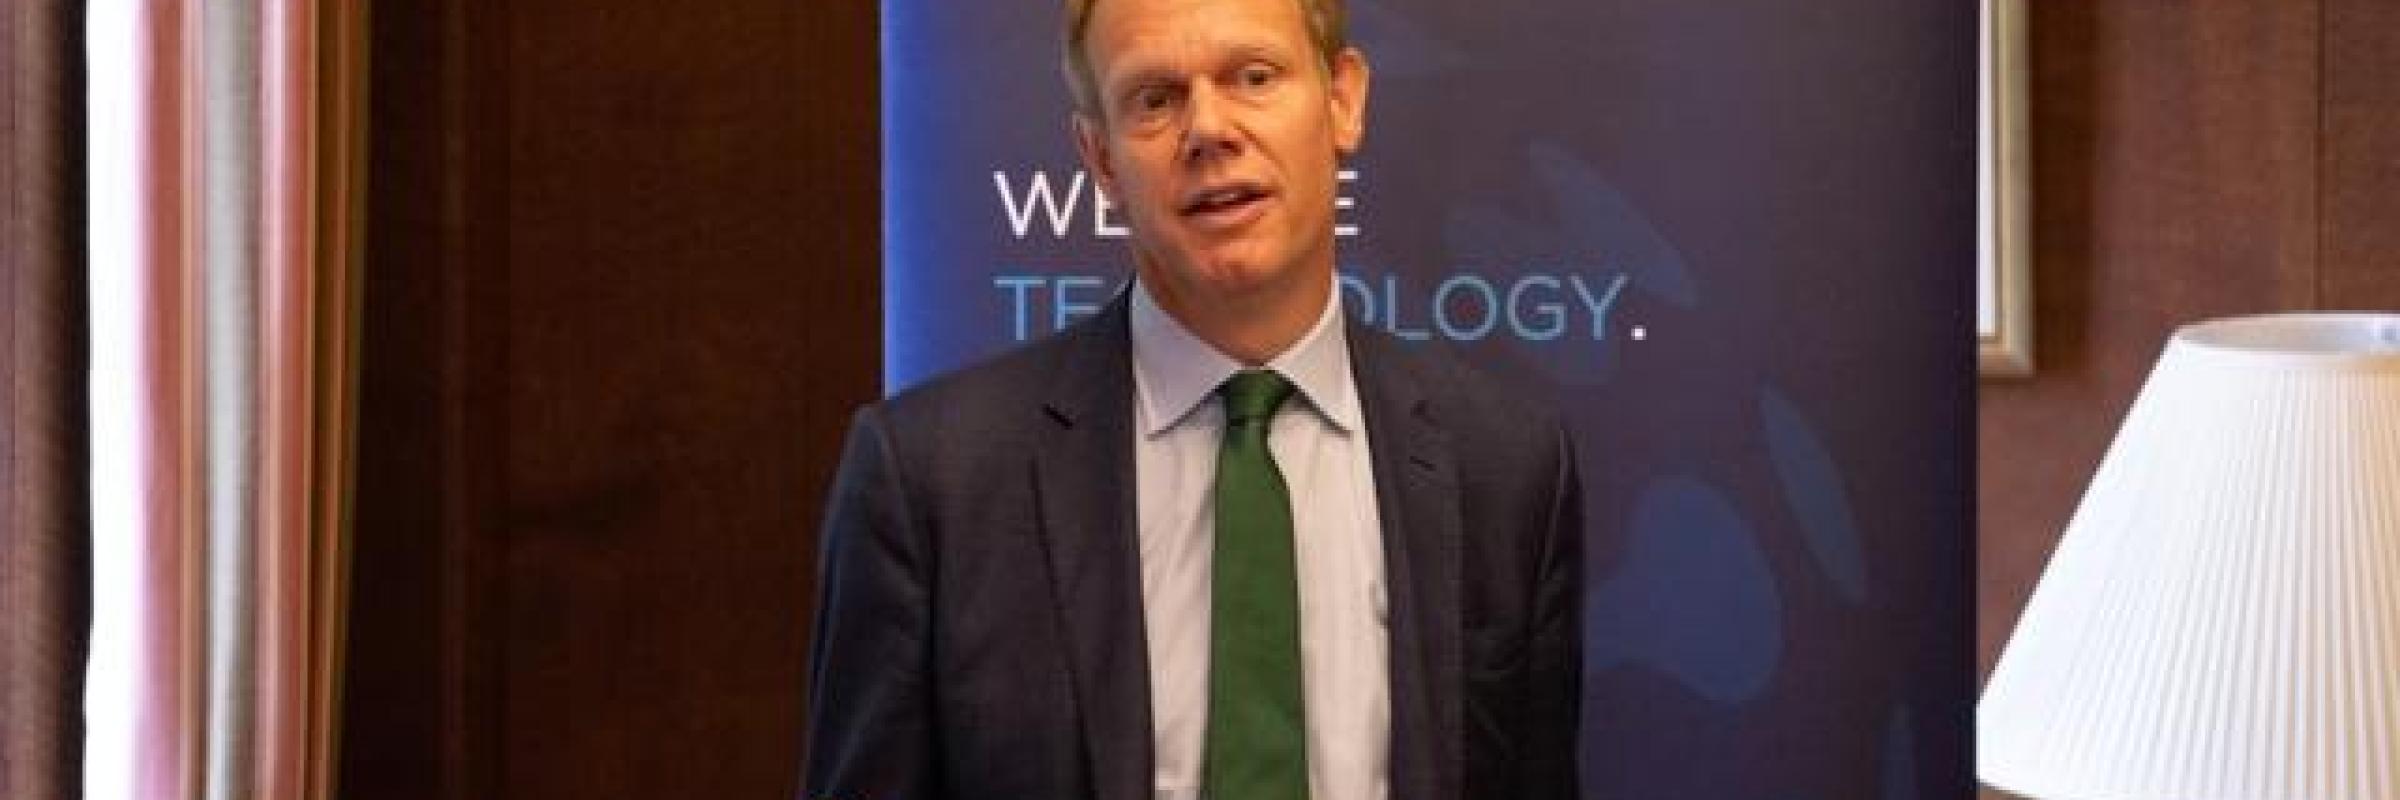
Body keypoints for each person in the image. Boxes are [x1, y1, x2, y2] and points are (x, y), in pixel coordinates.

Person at [800, 0, 1583, 797]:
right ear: (1101, 159)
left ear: (1343, 100)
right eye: (1155, 99)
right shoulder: (932, 484)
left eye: (1253, 76)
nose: (1208, 129)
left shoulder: (1505, 469)